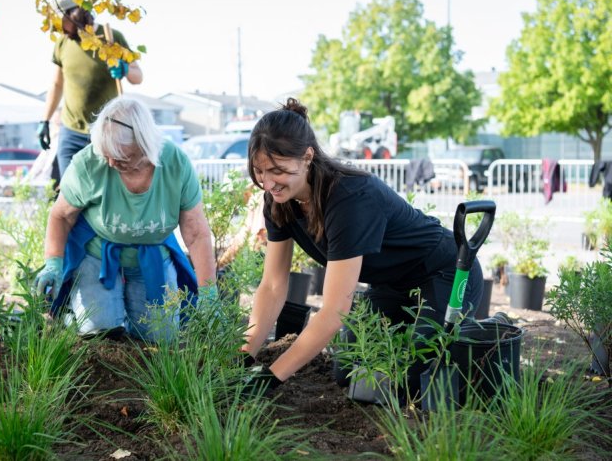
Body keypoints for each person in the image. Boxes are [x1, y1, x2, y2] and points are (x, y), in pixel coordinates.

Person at [241, 98, 483, 398]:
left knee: (409, 379)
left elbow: (333, 310)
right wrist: (243, 355)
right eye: (259, 171)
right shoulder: (278, 201)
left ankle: (486, 337)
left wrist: (270, 379)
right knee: (350, 372)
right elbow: (274, 284)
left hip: (443, 272)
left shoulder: (348, 197)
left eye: (277, 170)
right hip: (391, 284)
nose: (268, 183)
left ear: (307, 157)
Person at [34, 96, 216, 341]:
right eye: (106, 154)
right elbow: (61, 216)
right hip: (98, 255)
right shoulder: (89, 163)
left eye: (121, 158)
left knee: (161, 339)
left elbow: (196, 232)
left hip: (152, 256)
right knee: (100, 333)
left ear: (145, 146)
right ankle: (74, 314)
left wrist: (208, 293)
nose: (110, 162)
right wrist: (53, 263)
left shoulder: (175, 164)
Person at [36, 0, 143, 178]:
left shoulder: (111, 38)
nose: (58, 29)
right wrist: (45, 120)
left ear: (75, 15)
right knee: (69, 191)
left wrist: (124, 68)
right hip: (71, 131)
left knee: (105, 193)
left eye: (60, 22)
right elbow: (56, 84)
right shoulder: (62, 44)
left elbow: (138, 76)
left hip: (107, 132)